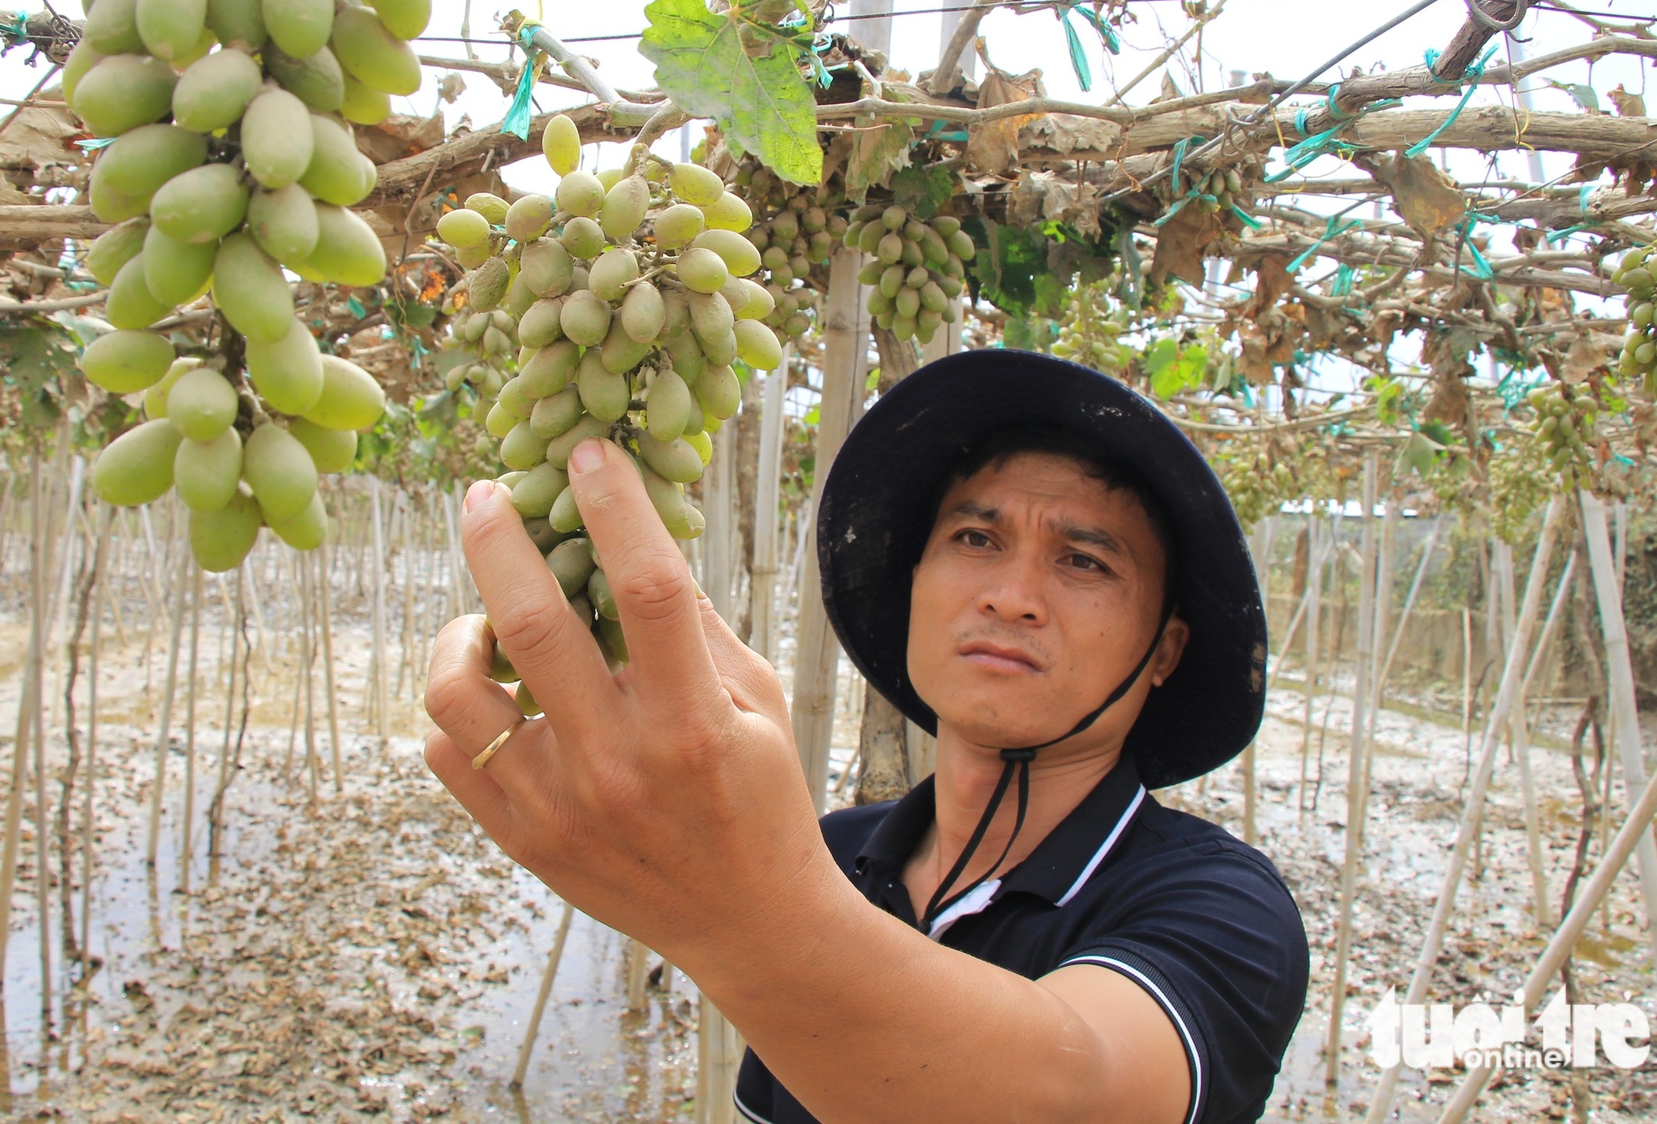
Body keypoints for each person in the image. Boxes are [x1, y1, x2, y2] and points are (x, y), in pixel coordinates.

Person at [424, 349, 1309, 1124]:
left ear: (1166, 651)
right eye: (974, 537)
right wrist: (759, 896)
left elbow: (1073, 1093)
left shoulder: (1223, 906)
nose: (1012, 595)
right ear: (915, 581)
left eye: (1084, 560)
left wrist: (742, 911)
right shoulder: (828, 853)